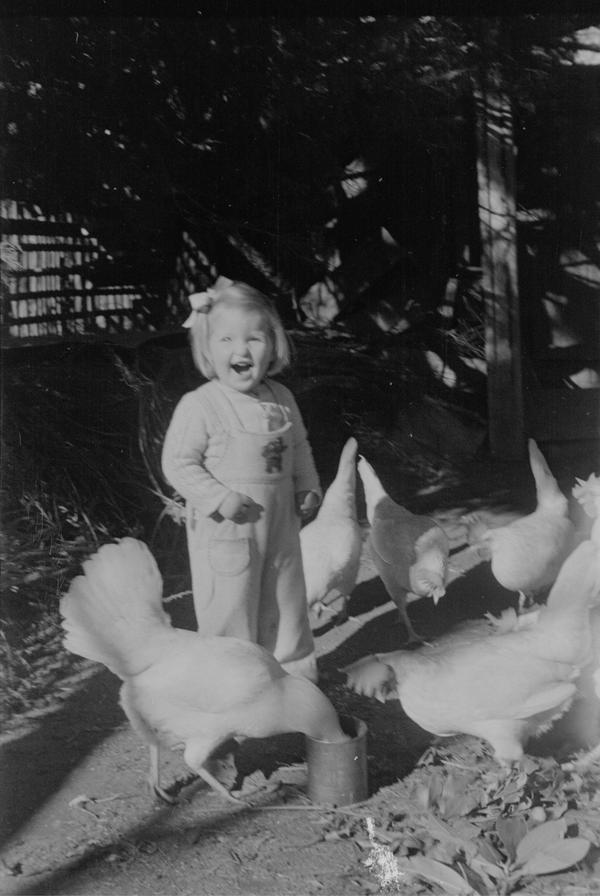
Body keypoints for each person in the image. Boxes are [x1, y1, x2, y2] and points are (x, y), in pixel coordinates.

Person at [162, 277, 322, 682]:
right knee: (230, 605)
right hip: (228, 532)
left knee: (285, 600)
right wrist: (218, 497)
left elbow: (299, 445)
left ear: (274, 344)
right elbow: (178, 463)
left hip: (281, 526)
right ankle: (232, 684)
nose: (241, 350)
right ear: (207, 348)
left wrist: (307, 485)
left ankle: (292, 678)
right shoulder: (201, 405)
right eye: (226, 340)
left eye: (254, 338)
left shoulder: (282, 398)